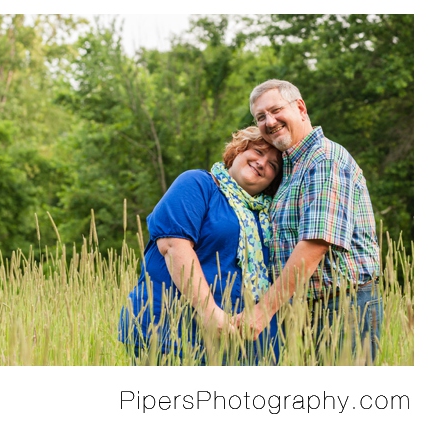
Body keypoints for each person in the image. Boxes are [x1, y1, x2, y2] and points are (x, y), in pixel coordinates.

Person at [235, 79, 381, 364]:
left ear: (300, 107)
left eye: (276, 110)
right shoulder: (290, 168)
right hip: (305, 309)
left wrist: (263, 310)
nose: (269, 121)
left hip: (343, 307)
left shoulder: (323, 159)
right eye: (260, 117)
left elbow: (315, 244)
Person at [119, 126, 283, 365]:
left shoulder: (268, 215)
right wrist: (209, 312)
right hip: (171, 331)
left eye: (273, 165)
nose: (262, 163)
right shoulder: (198, 184)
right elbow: (174, 246)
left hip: (241, 346)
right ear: (238, 150)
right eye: (258, 152)